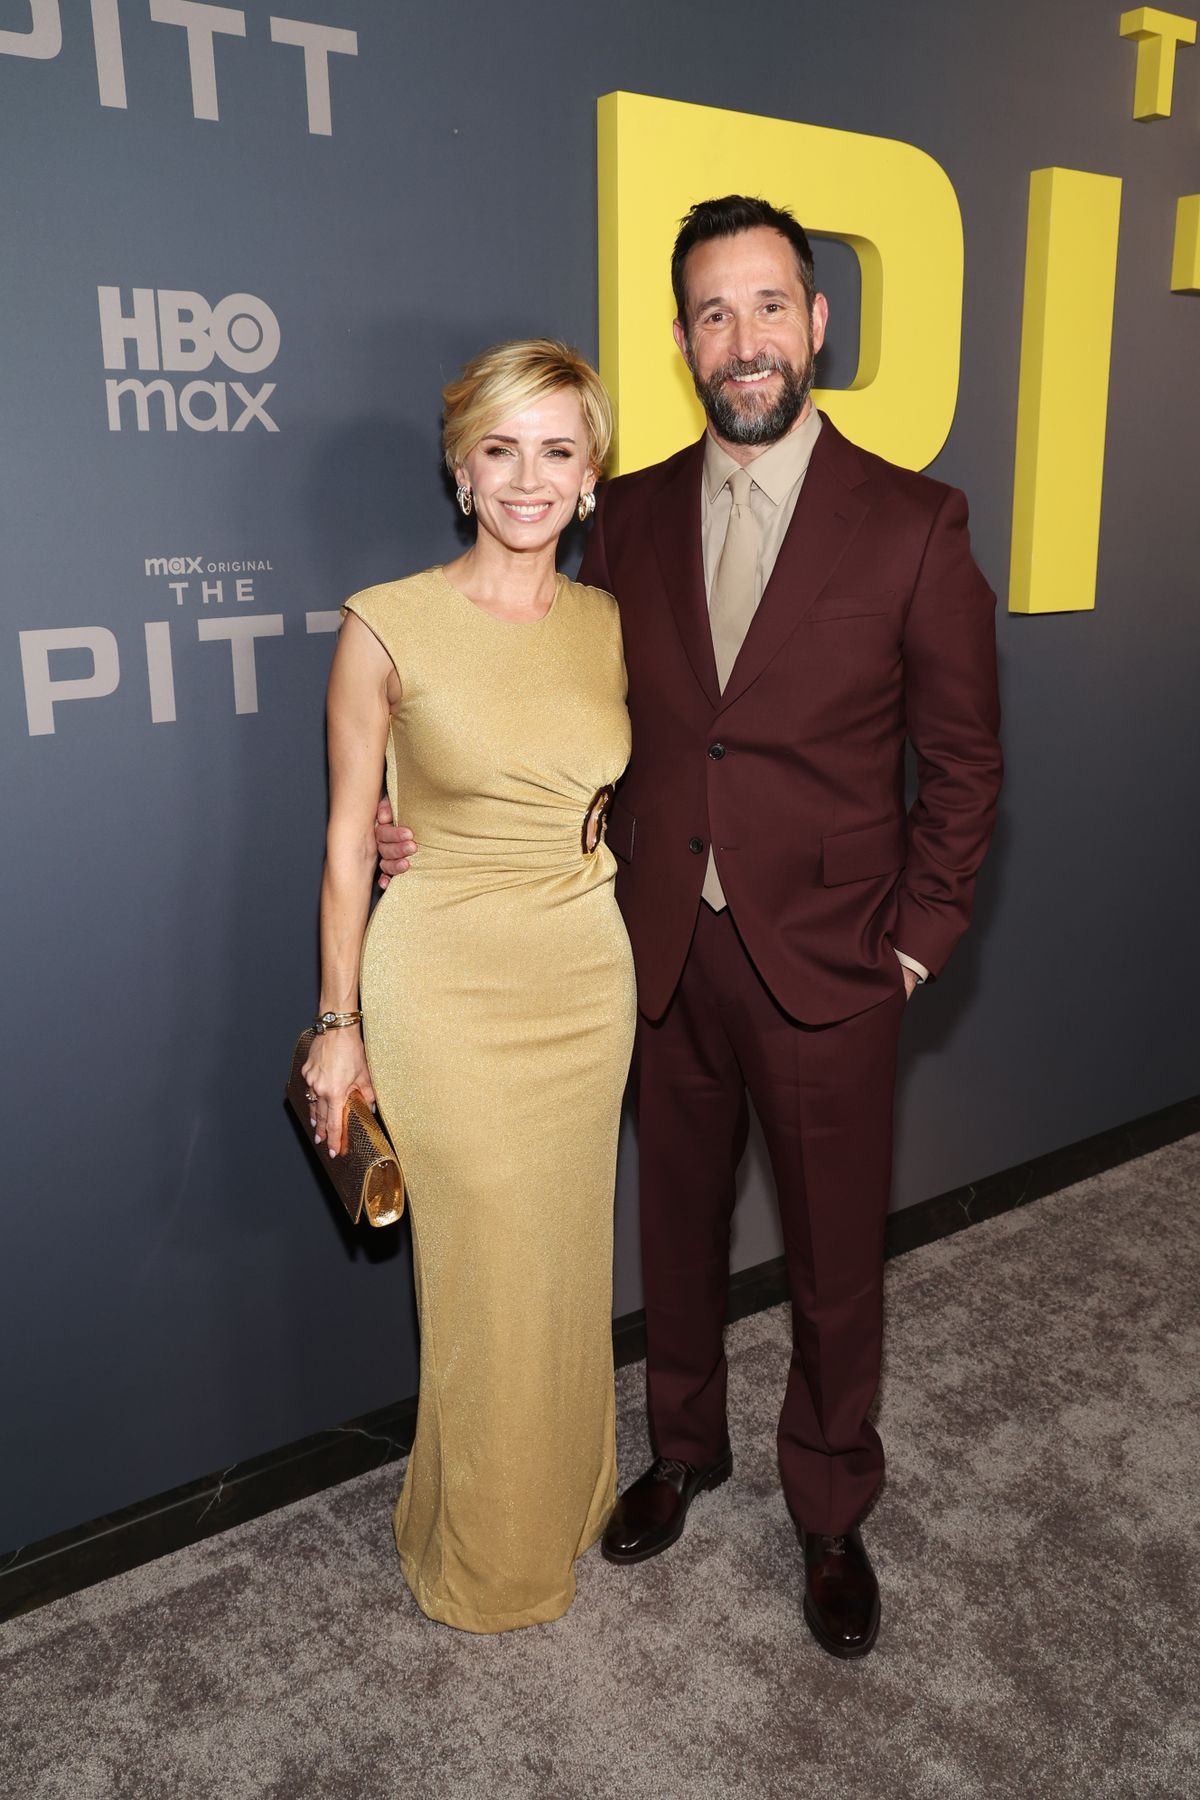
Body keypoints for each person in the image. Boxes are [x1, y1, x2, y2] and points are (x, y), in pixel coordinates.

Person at [378, 197, 1002, 1658]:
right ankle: (682, 1447)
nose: (745, 339)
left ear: (817, 321)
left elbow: (967, 766)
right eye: (715, 314)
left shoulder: (915, 523)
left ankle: (830, 1507)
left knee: (834, 1259)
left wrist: (915, 943)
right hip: (651, 946)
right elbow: (548, 707)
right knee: (670, 1226)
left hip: (836, 961)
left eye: (770, 306)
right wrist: (428, 822)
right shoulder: (632, 514)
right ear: (682, 341)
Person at [304, 339, 635, 1633]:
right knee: (484, 1273)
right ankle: (487, 1556)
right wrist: (339, 1026)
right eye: (501, 449)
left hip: (585, 974)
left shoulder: (613, 625)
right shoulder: (385, 622)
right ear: (460, 469)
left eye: (557, 450)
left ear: (592, 475)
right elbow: (348, 839)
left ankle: (563, 1498)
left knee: (563, 1260)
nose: (528, 478)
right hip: (444, 981)